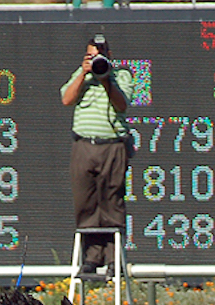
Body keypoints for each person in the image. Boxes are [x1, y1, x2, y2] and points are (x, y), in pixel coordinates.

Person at [60, 33, 134, 278]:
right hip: (83, 145)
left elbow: (122, 104)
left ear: (109, 56)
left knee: (112, 203)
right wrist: (84, 73)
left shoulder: (122, 75)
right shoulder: (81, 75)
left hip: (112, 146)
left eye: (99, 56)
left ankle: (114, 259)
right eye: (91, 56)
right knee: (85, 203)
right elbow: (67, 99)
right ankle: (91, 258)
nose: (96, 61)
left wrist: (105, 78)